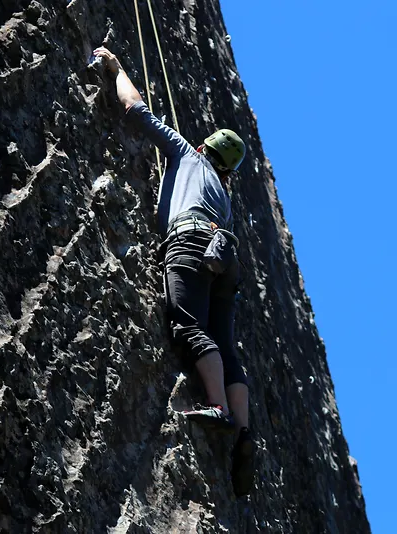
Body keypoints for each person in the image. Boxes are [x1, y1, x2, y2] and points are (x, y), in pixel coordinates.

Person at [93, 46, 254, 497]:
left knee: (187, 324)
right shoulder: (224, 195)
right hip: (226, 257)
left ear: (206, 148)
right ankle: (244, 431)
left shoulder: (188, 155)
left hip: (191, 242)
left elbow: (135, 110)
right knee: (226, 342)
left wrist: (116, 67)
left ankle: (218, 408)